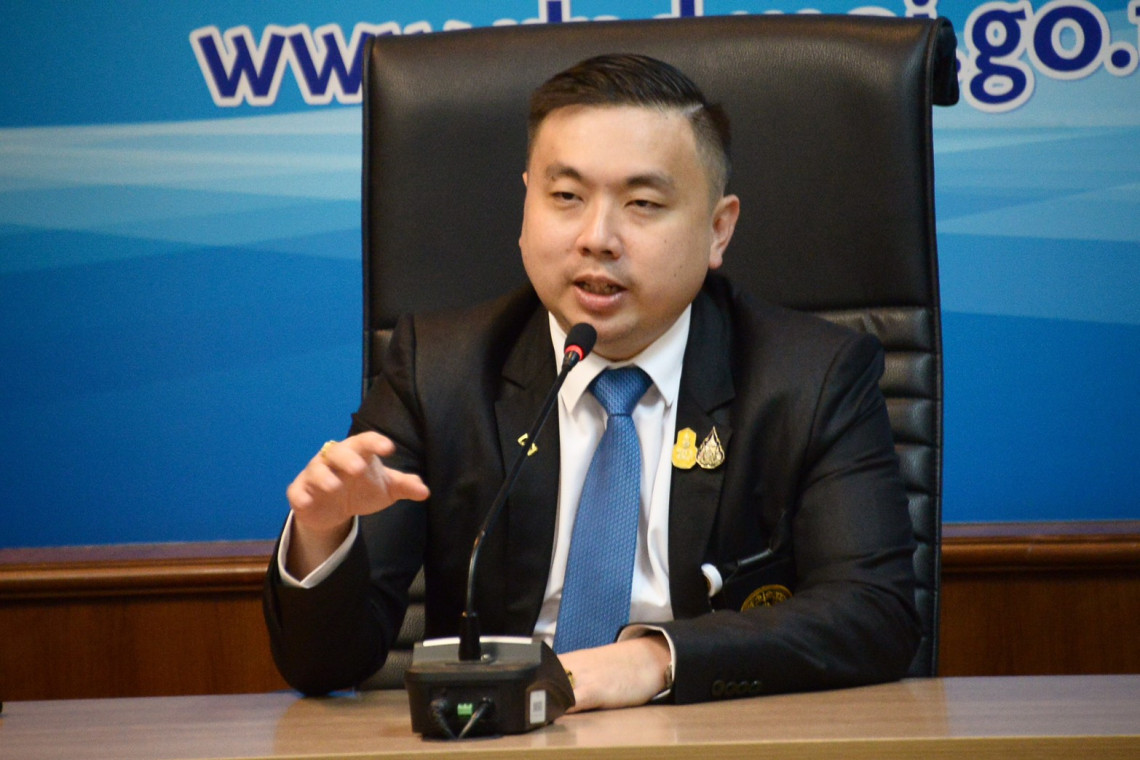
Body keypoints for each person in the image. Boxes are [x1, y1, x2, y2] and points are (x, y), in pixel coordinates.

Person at [263, 53, 919, 711]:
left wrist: (655, 659)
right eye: (566, 198)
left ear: (718, 230)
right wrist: (322, 536)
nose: (597, 238)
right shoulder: (438, 372)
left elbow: (874, 613)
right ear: (527, 205)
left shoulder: (812, 378)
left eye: (643, 203)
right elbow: (324, 664)